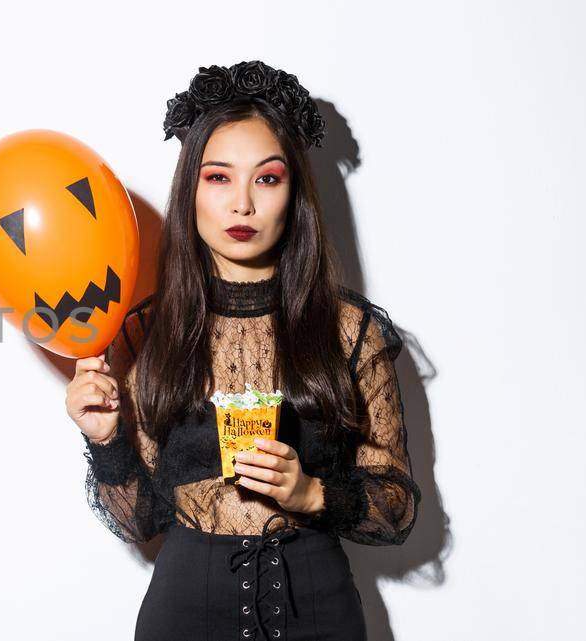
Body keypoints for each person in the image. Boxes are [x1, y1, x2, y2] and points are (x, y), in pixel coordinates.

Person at [64, 61, 421, 641]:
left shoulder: (349, 330)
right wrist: (105, 442)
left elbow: (396, 507)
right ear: (191, 190)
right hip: (185, 614)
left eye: (268, 178)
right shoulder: (147, 332)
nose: (243, 206)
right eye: (219, 177)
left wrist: (311, 493)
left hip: (319, 610)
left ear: (295, 192)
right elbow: (141, 521)